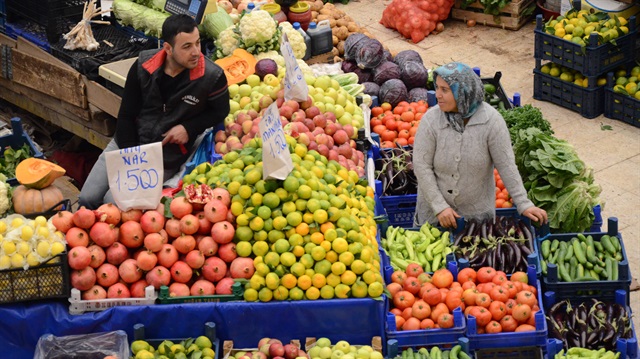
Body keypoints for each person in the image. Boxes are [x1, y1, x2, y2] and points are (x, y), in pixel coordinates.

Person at [79, 14, 230, 209]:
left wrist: (188, 127)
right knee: (87, 198)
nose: (196, 52)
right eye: (187, 46)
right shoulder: (143, 65)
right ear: (167, 48)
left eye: (197, 43)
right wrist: (131, 158)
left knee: (112, 204)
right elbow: (126, 115)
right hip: (126, 144)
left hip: (164, 156)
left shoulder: (212, 76)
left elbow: (221, 111)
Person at [413, 62, 547, 228]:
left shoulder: (491, 121)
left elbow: (506, 166)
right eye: (437, 87)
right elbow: (421, 165)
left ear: (463, 91)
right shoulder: (431, 120)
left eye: (445, 90)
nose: (437, 94)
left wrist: (523, 203)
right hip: (434, 215)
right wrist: (439, 207)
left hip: (476, 219)